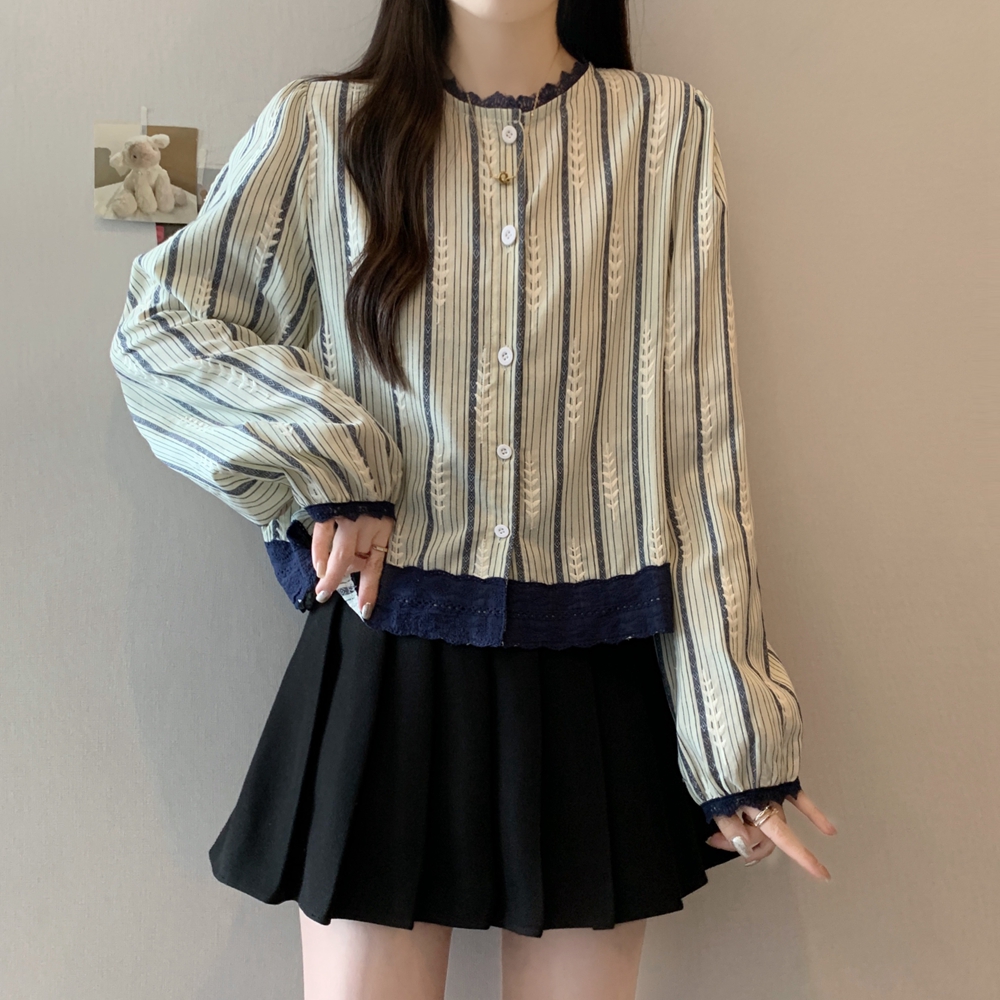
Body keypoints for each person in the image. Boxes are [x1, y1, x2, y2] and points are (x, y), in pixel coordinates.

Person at [109, 1, 837, 997]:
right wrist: (334, 461)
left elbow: (695, 446)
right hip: (386, 659)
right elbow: (162, 325)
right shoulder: (321, 126)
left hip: (593, 668)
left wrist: (734, 733)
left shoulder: (664, 128)